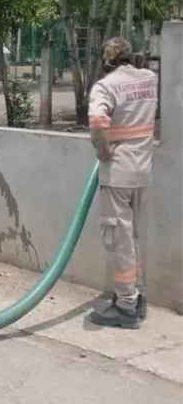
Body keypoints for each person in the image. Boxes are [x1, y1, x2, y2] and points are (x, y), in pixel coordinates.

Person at [87, 37, 158, 329]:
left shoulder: (106, 86)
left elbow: (97, 122)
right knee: (135, 237)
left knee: (120, 240)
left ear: (107, 61)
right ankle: (136, 296)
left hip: (118, 174)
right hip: (143, 171)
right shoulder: (150, 79)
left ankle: (126, 306)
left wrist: (103, 152)